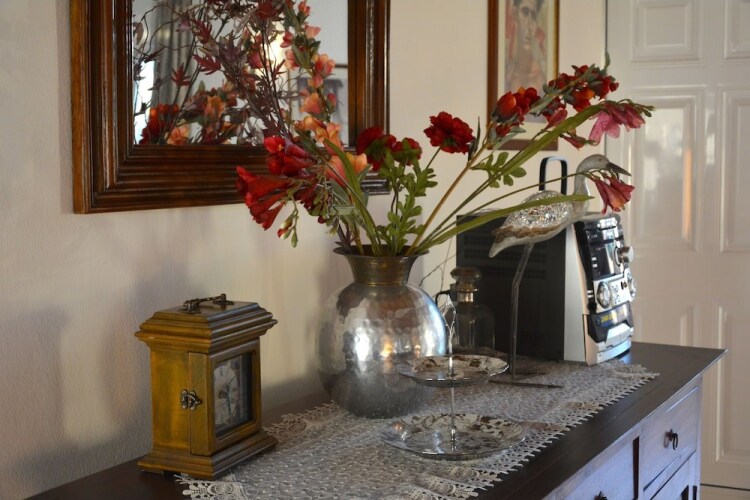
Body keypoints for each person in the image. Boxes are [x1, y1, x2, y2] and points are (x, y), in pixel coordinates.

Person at [505, 0, 547, 92]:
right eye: (525, 12)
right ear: (515, 14)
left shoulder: (541, 78)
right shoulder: (507, 75)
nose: (529, 25)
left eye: (533, 16)